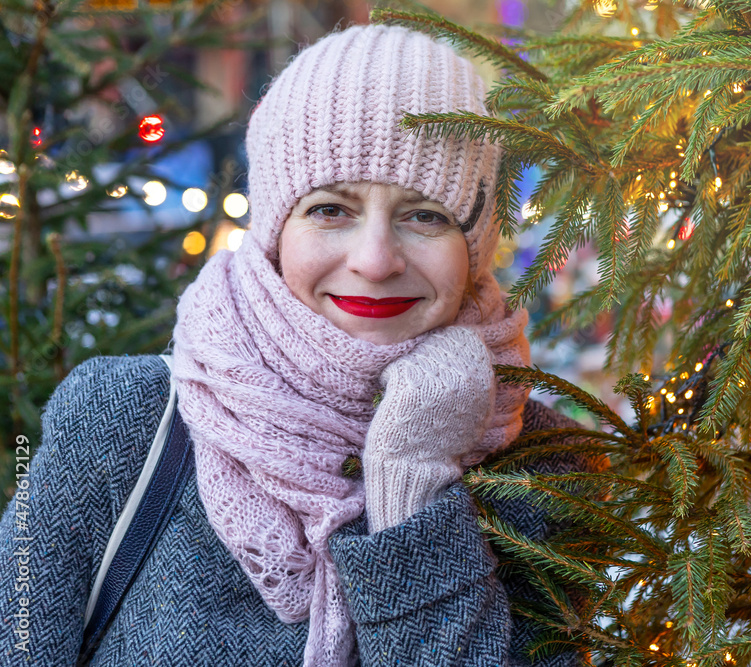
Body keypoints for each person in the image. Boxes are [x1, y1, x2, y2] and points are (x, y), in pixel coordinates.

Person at [0, 23, 590, 667]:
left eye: (425, 215)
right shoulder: (121, 417)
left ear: (474, 245)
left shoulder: (551, 470)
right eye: (331, 209)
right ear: (277, 229)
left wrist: (410, 484)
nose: (374, 260)